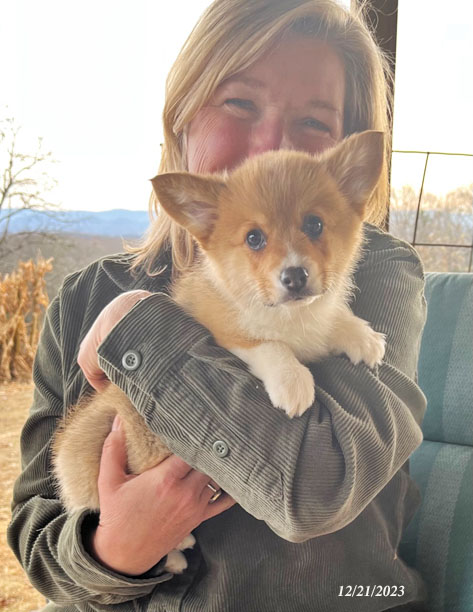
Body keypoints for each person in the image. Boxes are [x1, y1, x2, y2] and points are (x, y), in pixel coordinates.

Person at [8, 0, 429, 610]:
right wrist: (112, 551)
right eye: (240, 104)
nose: (270, 146)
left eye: (314, 121)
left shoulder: (377, 275)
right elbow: (37, 531)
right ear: (182, 116)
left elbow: (315, 489)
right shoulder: (82, 298)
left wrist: (141, 332)